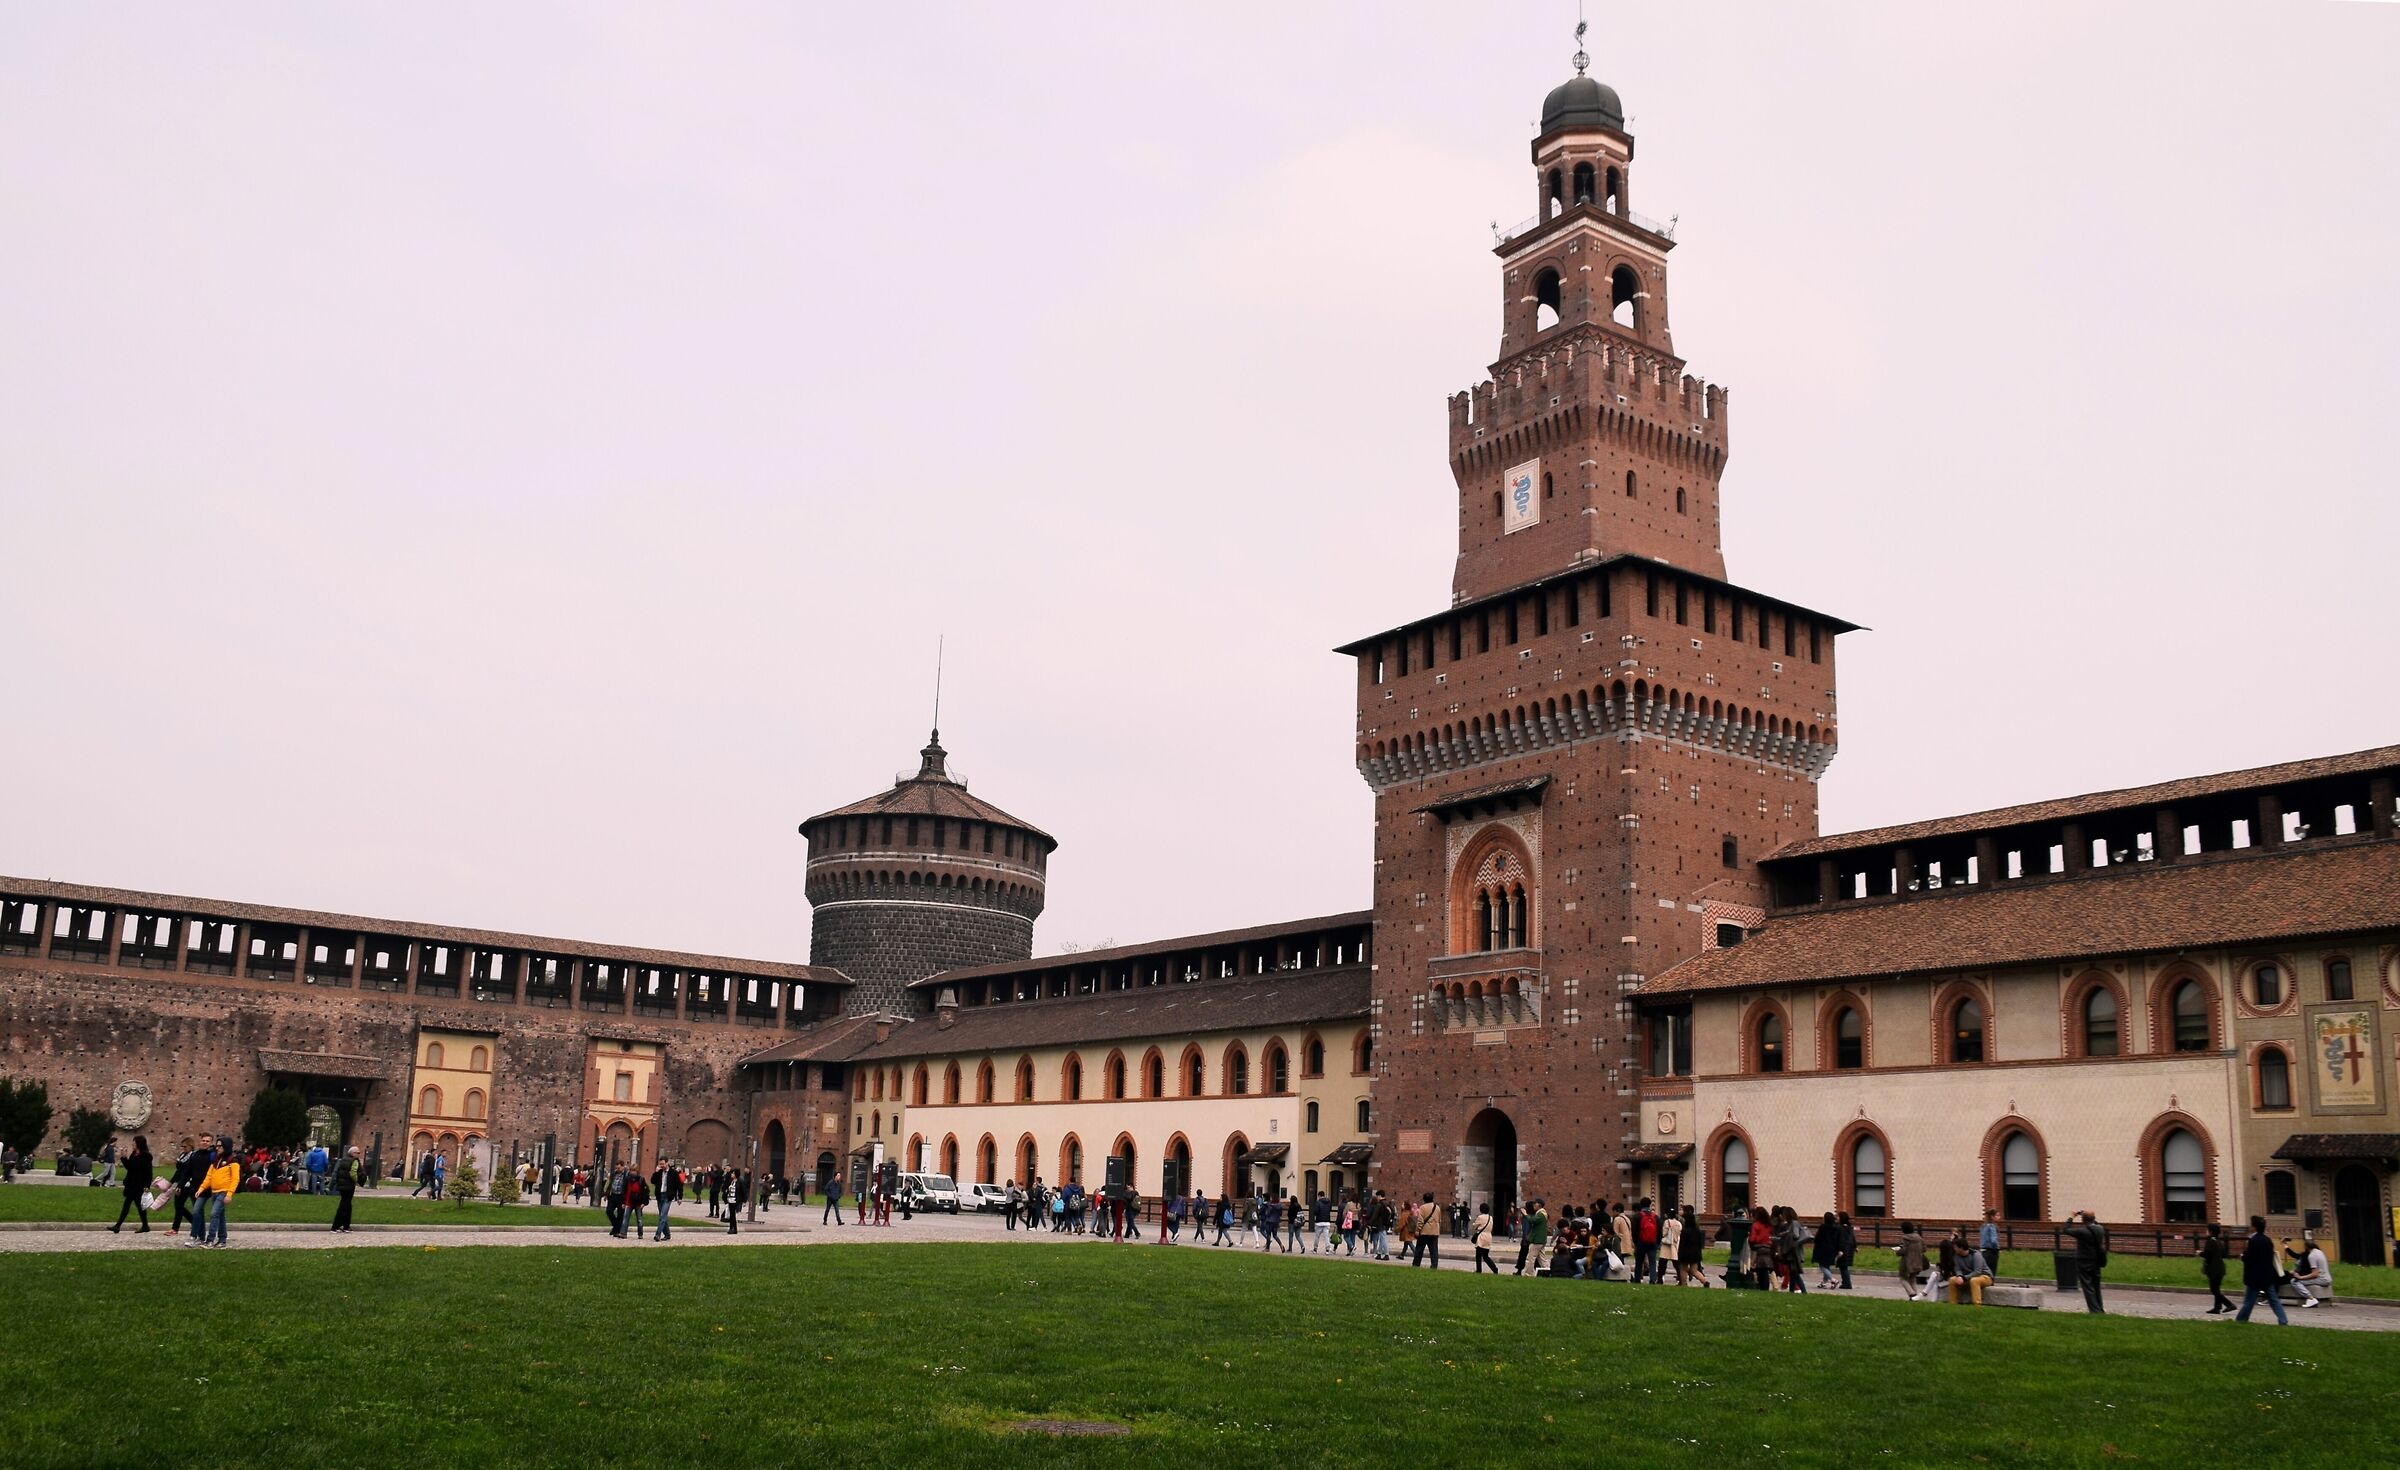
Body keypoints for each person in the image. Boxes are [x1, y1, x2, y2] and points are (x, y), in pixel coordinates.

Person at [2233, 1216, 2289, 1325]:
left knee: (2249, 1301)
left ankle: (2240, 1320)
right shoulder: (2268, 1240)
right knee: (2274, 1300)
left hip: (2255, 1276)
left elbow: (2250, 1257)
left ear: (2254, 1227)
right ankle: (2283, 1320)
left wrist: (2243, 1257)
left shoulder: (2253, 1240)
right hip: (2267, 1275)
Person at [186, 1137, 238, 1249]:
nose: (217, 1148)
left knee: (214, 1214)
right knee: (220, 1216)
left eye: (220, 1146)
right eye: (217, 1146)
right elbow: (209, 1177)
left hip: (223, 1192)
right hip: (215, 1192)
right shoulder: (216, 1161)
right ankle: (222, 1239)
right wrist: (201, 1189)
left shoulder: (232, 1161)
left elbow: (235, 1179)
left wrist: (229, 1194)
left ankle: (210, 1240)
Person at [107, 1135, 155, 1233]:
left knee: (130, 1204)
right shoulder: (134, 1154)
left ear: (139, 1143)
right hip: (131, 1183)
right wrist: (124, 1157)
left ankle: (118, 1226)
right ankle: (145, 1226)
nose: (132, 1144)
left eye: (134, 1142)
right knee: (137, 1206)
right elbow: (130, 1167)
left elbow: (148, 1172)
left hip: (139, 1185)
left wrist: (147, 1185)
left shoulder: (146, 1156)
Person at [2062, 1210, 2107, 1313]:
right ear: (2094, 1218)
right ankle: (2100, 1308)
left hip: (2084, 1261)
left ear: (2083, 1220)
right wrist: (2085, 1215)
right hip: (2096, 1261)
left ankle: (2094, 1310)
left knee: (2087, 1286)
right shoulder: (2100, 1229)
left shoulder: (2082, 1232)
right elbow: (2096, 1223)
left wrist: (2071, 1217)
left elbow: (2066, 1230)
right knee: (2096, 1286)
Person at [2285, 1234, 2333, 1308]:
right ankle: (2311, 1299)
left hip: (2321, 1279)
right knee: (2297, 1280)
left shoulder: (2311, 1256)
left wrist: (2300, 1277)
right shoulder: (2320, 1252)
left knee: (2295, 1281)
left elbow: (2315, 1274)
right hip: (2327, 1278)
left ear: (2306, 1247)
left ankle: (2311, 1298)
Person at [1947, 1230, 1994, 1305]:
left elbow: (1977, 1271)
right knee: (1952, 1280)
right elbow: (1958, 1269)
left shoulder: (1976, 1255)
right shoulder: (1956, 1256)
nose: (1954, 1249)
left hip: (1984, 1277)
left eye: (1955, 1247)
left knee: (1974, 1280)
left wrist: (1964, 1278)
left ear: (1961, 1248)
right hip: (1968, 1277)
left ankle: (1977, 1304)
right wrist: (1959, 1276)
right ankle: (1953, 1303)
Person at [2197, 1221, 2233, 1313]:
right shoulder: (2219, 1241)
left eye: (2207, 1230)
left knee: (2214, 1290)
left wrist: (2200, 1253)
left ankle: (2229, 1304)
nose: (2206, 1232)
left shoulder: (2210, 1242)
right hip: (2220, 1267)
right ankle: (2217, 1307)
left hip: (2213, 1269)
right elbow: (2224, 1254)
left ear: (2211, 1232)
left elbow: (2208, 1255)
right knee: (2217, 1288)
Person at [1897, 1221, 1930, 1301]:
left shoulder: (1905, 1239)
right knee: (1913, 1279)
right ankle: (1915, 1297)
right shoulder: (1919, 1238)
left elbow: (1903, 1250)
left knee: (1903, 1278)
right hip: (1918, 1261)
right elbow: (1924, 1249)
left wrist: (1897, 1251)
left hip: (1907, 1262)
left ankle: (1912, 1293)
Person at [1675, 1205, 1707, 1286]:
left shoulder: (1685, 1231)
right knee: (1694, 1270)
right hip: (1695, 1252)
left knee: (1683, 1269)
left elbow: (1682, 1243)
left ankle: (1683, 1284)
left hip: (1685, 1253)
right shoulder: (1698, 1231)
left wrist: (1679, 1252)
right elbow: (1700, 1243)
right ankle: (1704, 1281)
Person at [1516, 1198, 1550, 1276]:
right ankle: (1548, 1271)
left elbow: (1532, 1220)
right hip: (1540, 1239)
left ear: (1539, 1205)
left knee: (1530, 1258)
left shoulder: (1541, 1214)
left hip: (1537, 1240)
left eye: (1535, 1203)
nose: (1534, 1205)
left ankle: (1529, 1273)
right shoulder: (1541, 1213)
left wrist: (1525, 1214)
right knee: (1542, 1259)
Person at [1812, 1210, 1842, 1289]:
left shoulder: (1823, 1227)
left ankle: (1833, 1280)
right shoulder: (1836, 1228)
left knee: (1822, 1266)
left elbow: (1818, 1238)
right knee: (1827, 1266)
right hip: (1832, 1249)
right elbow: (1838, 1239)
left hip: (1822, 1249)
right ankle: (1824, 1282)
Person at [653, 1161, 681, 1242]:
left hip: (668, 1197)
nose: (661, 1166)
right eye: (660, 1164)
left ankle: (658, 1234)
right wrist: (655, 1173)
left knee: (662, 1215)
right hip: (660, 1196)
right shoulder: (659, 1172)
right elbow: (653, 1181)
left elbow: (679, 1185)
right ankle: (667, 1234)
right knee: (662, 1216)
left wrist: (680, 1197)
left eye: (663, 1164)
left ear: (667, 1163)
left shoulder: (673, 1173)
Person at [1471, 1204, 1499, 1273]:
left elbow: (1475, 1226)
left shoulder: (1480, 1217)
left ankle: (1479, 1270)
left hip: (1481, 1237)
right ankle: (1494, 1269)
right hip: (1488, 1236)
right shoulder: (1490, 1217)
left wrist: (1474, 1224)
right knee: (1486, 1256)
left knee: (1478, 1255)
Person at [1978, 1209, 2002, 1283]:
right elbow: (1993, 1240)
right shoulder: (1992, 1226)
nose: (1999, 1217)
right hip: (1991, 1251)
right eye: (1997, 1215)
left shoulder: (1983, 1226)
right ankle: (1990, 1282)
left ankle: (1983, 1282)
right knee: (1992, 1268)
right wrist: (1997, 1248)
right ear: (1992, 1216)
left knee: (1985, 1269)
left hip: (1983, 1250)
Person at [723, 1168, 745, 1234]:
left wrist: (744, 1200)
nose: (732, 1174)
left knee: (733, 1215)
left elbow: (743, 1191)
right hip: (730, 1199)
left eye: (733, 1173)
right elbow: (728, 1188)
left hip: (735, 1200)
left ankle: (733, 1228)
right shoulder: (731, 1181)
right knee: (731, 1214)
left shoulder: (740, 1181)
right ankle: (732, 1228)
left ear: (736, 1174)